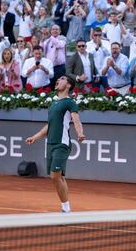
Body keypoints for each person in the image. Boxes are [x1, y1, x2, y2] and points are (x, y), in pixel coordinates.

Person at [26, 75, 85, 213]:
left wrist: (80, 133)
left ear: (69, 85)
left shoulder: (70, 102)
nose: (58, 81)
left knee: (55, 176)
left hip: (62, 144)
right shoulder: (53, 105)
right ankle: (66, 207)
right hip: (50, 144)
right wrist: (35, 137)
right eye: (58, 80)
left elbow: (76, 120)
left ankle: (66, 209)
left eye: (62, 79)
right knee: (58, 177)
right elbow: (49, 126)